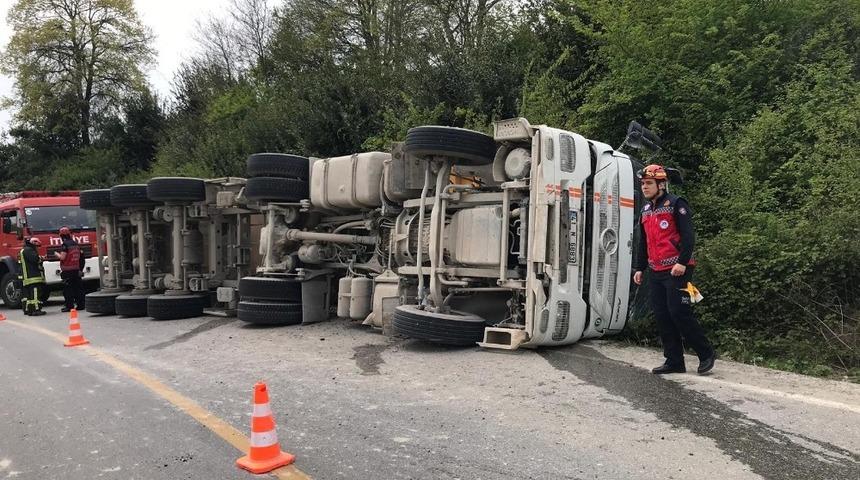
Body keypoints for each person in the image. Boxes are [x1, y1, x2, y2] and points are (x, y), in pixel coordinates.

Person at [633, 164, 715, 375]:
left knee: (679, 312)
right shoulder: (646, 210)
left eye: (649, 183)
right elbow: (645, 243)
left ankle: (706, 353)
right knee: (662, 315)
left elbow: (688, 237)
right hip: (656, 270)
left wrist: (681, 261)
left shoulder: (677, 204)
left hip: (679, 269)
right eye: (642, 184)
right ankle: (674, 361)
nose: (644, 187)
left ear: (662, 184)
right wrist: (640, 268)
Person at [54, 226, 85, 312]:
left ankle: (69, 306)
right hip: (76, 269)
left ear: (61, 236)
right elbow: (81, 257)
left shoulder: (65, 245)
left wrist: (56, 254)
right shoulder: (75, 243)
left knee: (68, 290)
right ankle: (81, 305)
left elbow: (63, 257)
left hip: (67, 271)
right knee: (78, 288)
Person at [18, 237, 46, 316]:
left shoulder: (24, 250)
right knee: (35, 294)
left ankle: (29, 309)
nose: (37, 247)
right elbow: (35, 259)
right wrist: (41, 258)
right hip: (33, 277)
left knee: (28, 295)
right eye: (36, 245)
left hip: (27, 277)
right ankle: (36, 310)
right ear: (33, 243)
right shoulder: (29, 250)